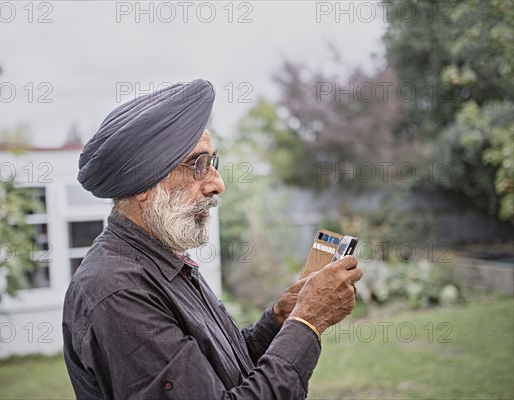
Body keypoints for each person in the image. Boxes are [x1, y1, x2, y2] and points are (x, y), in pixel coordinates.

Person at [62, 79, 363, 399]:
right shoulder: (118, 289)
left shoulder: (160, 260)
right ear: (144, 183)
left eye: (212, 163)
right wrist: (308, 322)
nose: (217, 184)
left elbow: (217, 372)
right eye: (198, 165)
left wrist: (278, 319)